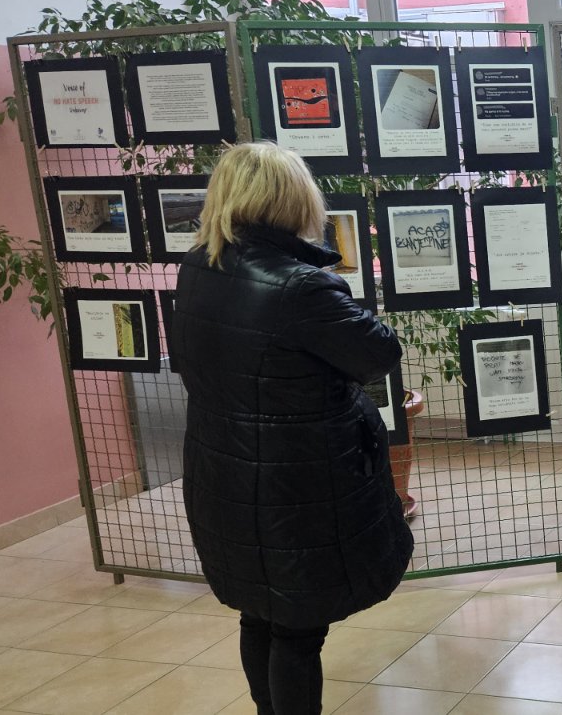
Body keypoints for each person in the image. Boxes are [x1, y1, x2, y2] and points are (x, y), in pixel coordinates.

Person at [173, 142, 412, 715]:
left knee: (259, 611)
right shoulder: (301, 286)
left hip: (222, 468)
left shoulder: (199, 266)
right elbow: (379, 354)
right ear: (292, 200)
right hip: (294, 481)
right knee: (299, 631)